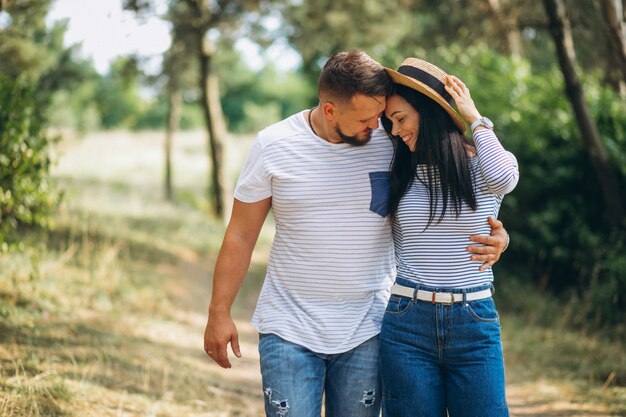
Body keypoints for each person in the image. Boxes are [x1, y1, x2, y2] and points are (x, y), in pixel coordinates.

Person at [203, 50, 510, 417]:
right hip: (289, 326)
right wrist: (219, 312)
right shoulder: (274, 145)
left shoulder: (393, 142)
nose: (378, 126)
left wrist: (499, 236)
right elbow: (240, 235)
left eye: (381, 116)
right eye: (366, 118)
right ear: (330, 109)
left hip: (368, 327)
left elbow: (458, 199)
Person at [378, 57, 519, 417]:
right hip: (407, 322)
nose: (396, 131)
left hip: (474, 320)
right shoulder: (400, 168)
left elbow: (504, 178)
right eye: (390, 122)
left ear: (429, 111)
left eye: (401, 119)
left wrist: (474, 117)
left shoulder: (482, 168)